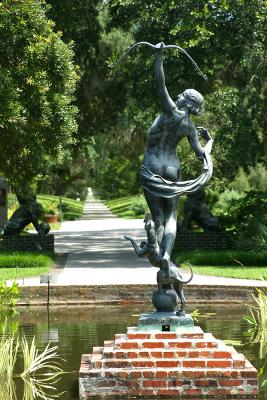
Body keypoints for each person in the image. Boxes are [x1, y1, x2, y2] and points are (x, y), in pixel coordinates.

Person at [139, 42, 213, 276]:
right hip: (172, 167)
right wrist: (209, 141)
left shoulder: (172, 111)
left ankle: (159, 252)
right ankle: (167, 256)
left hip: (152, 165)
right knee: (171, 215)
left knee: (159, 216)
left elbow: (160, 84)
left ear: (187, 102)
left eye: (182, 95)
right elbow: (202, 153)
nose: (178, 95)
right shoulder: (190, 127)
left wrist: (159, 56)